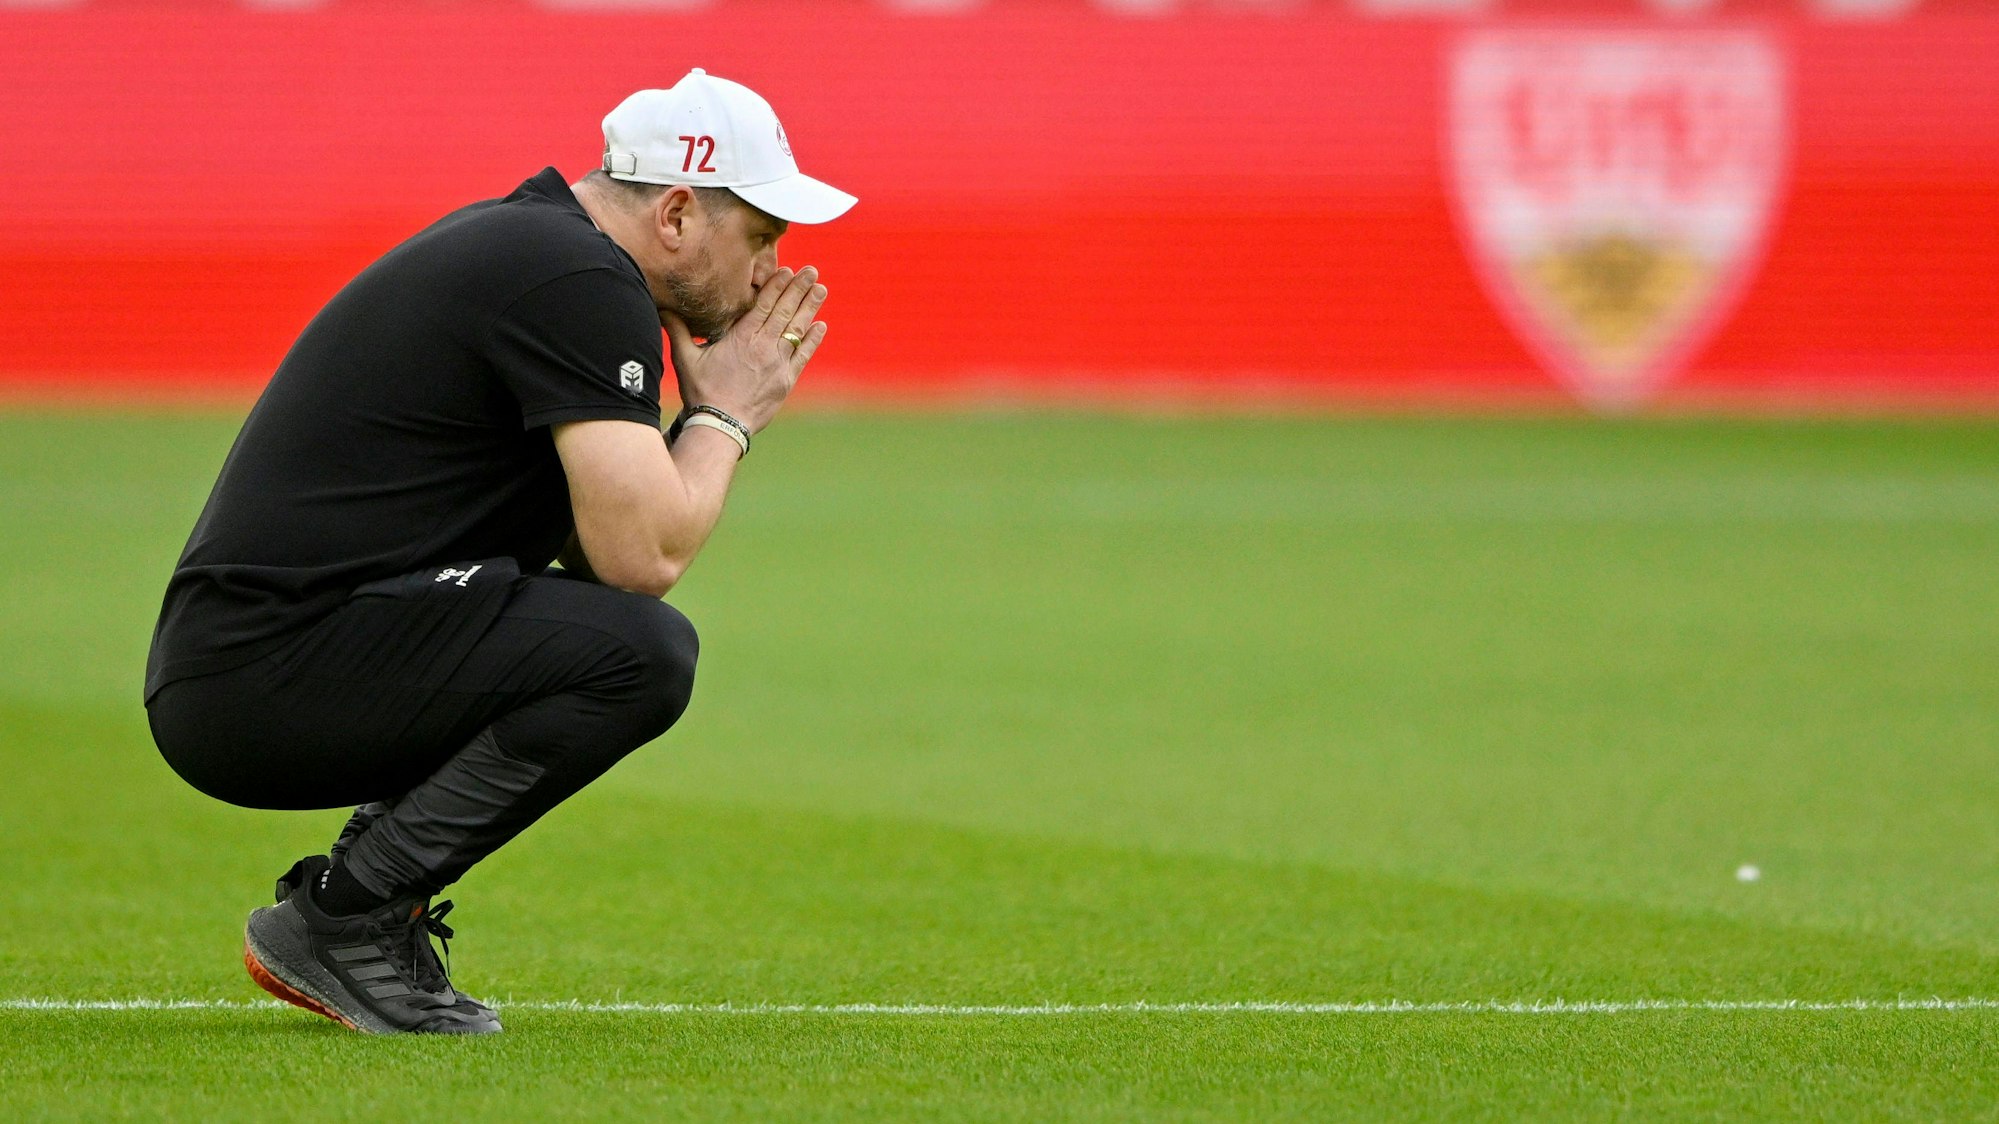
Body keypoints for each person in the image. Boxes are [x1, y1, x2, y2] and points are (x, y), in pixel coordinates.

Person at [142, 69, 855, 1035]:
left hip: (252, 664)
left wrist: (700, 418)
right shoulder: (576, 281)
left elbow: (605, 559)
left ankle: (358, 898)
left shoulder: (543, 254)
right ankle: (348, 917)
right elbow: (644, 561)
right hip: (260, 675)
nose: (769, 273)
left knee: (606, 632)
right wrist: (728, 413)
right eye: (761, 238)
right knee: (640, 653)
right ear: (679, 213)